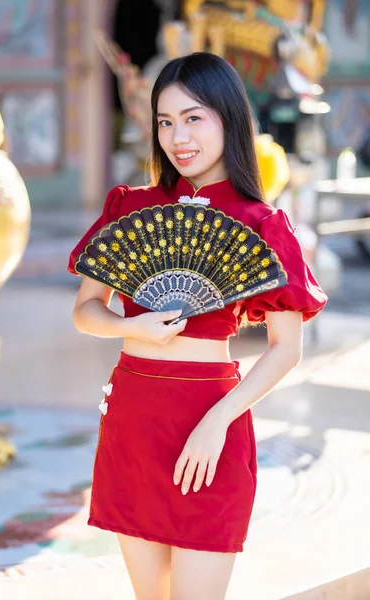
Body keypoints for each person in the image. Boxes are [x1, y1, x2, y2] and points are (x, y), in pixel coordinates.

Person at [68, 53, 327, 600]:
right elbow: (85, 312)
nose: (177, 137)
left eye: (194, 118)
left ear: (228, 119)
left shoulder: (261, 223)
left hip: (210, 424)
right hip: (133, 419)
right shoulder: (130, 208)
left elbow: (286, 348)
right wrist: (133, 329)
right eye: (165, 121)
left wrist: (218, 422)